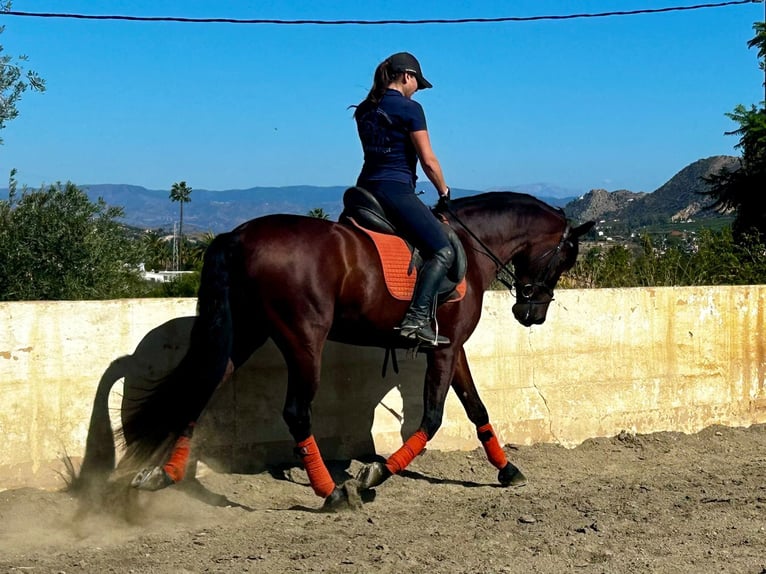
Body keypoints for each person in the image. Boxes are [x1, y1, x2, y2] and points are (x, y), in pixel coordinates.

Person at [353, 52, 454, 347]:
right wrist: (444, 192)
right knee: (442, 251)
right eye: (417, 84)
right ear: (407, 77)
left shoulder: (363, 110)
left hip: (364, 191)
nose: (417, 90)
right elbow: (428, 160)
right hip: (395, 190)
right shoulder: (411, 109)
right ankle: (416, 319)